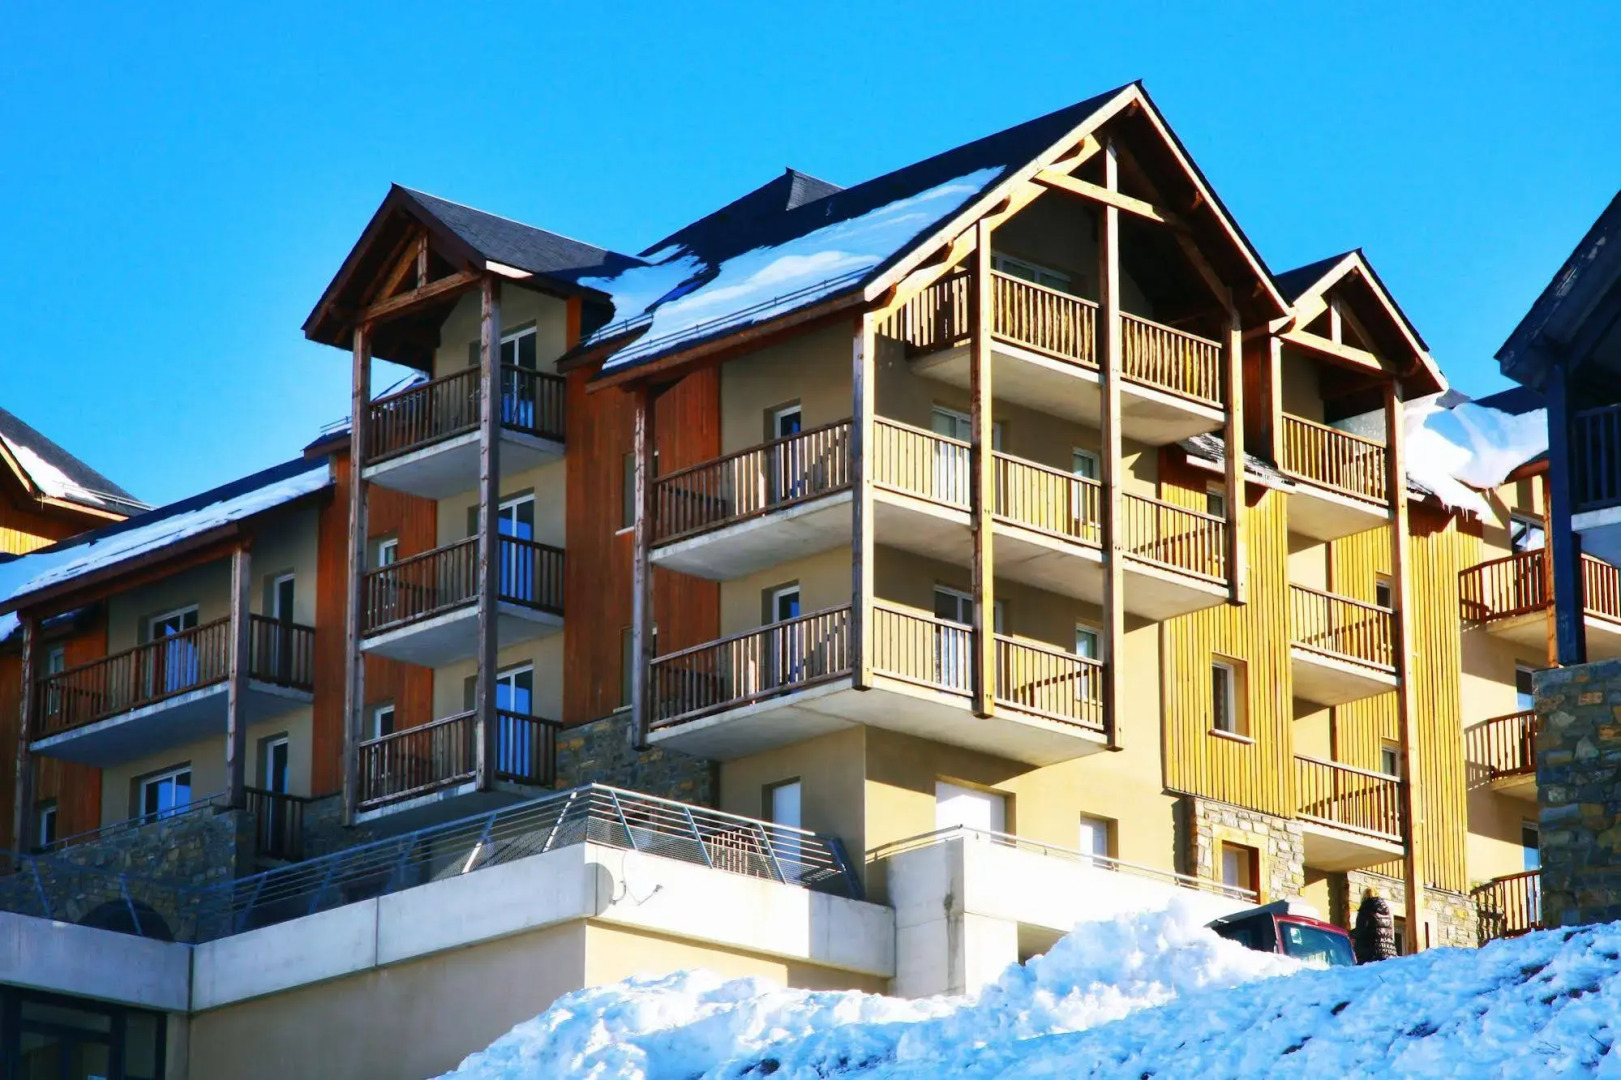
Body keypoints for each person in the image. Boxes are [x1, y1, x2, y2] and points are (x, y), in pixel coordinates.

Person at [1352, 889, 1398, 963]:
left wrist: (1350, 934)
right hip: (1389, 952)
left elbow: (1361, 931)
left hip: (1371, 953)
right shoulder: (1385, 911)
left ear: (1364, 897)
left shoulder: (1365, 909)